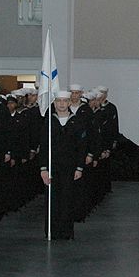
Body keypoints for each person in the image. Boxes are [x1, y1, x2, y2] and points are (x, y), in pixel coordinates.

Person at [40, 90, 90, 240]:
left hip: (70, 168)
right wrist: (43, 168)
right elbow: (43, 146)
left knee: (68, 200)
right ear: (54, 104)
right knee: (52, 200)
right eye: (58, 101)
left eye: (64, 101)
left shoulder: (77, 121)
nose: (61, 104)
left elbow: (82, 146)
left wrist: (79, 167)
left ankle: (66, 232)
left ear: (69, 103)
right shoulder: (49, 121)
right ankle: (52, 231)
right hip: (52, 167)